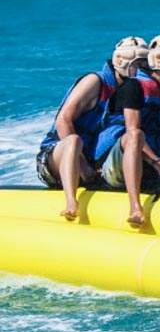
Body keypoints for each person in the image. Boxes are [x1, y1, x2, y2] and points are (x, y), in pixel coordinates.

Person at [37, 36, 150, 219]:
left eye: (145, 65)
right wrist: (82, 166)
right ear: (120, 61)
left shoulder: (129, 92)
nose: (141, 71)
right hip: (56, 157)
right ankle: (71, 202)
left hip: (90, 163)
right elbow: (63, 120)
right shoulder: (95, 81)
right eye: (138, 64)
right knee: (74, 140)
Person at [92, 33, 160, 227]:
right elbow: (132, 131)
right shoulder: (133, 87)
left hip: (149, 166)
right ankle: (135, 207)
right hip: (113, 164)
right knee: (136, 135)